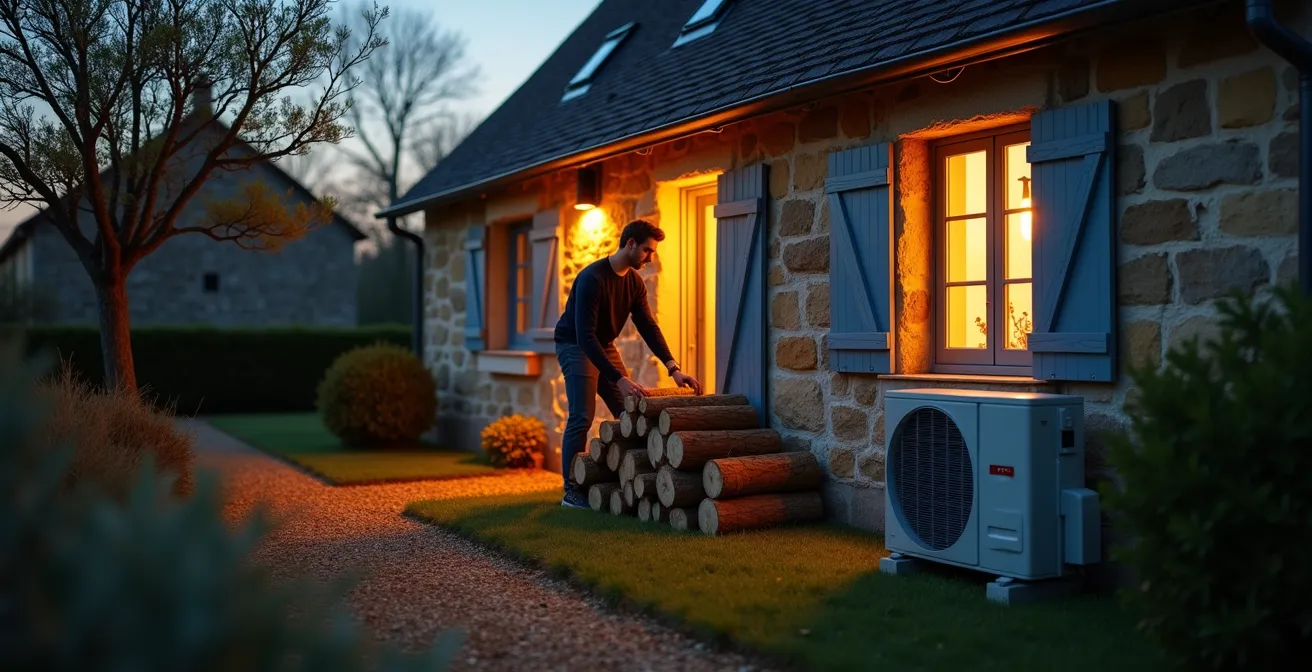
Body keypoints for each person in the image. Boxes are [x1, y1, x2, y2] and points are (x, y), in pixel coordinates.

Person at [553, 219, 702, 508]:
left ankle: (628, 479)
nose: (650, 258)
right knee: (581, 416)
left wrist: (673, 368)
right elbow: (585, 336)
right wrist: (618, 378)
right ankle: (571, 489)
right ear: (630, 244)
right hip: (575, 344)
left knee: (628, 410)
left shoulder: (634, 283)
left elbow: (648, 326)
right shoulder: (591, 279)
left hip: (602, 344)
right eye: (647, 250)